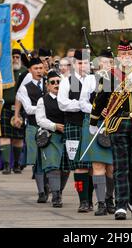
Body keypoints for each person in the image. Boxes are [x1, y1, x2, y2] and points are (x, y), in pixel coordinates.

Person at [89, 39, 132, 220]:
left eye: (129, 54)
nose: (126, 57)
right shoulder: (110, 74)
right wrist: (93, 120)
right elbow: (100, 98)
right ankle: (120, 205)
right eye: (123, 55)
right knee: (121, 166)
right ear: (118, 57)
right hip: (117, 123)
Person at [79, 49, 115, 216]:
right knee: (97, 165)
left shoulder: (119, 81)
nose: (104, 66)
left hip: (114, 125)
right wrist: (98, 110)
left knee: (112, 168)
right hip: (95, 123)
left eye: (108, 63)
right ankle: (101, 203)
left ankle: (110, 199)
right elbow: (83, 103)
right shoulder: (90, 80)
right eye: (101, 63)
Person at [58, 49, 93, 213]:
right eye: (80, 63)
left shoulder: (95, 80)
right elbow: (62, 103)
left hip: (92, 127)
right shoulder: (68, 80)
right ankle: (83, 201)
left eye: (85, 62)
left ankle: (93, 200)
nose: (83, 66)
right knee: (79, 166)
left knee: (94, 165)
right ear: (74, 64)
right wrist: (82, 104)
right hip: (75, 125)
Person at [36, 71, 70, 208]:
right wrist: (55, 126)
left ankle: (59, 191)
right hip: (50, 136)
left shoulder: (68, 98)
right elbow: (40, 120)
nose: (56, 84)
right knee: (52, 167)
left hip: (67, 136)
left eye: (59, 82)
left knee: (66, 168)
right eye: (53, 82)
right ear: (47, 85)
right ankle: (56, 195)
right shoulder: (42, 100)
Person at [16, 58, 48, 203]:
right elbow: (28, 109)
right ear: (30, 70)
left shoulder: (52, 83)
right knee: (38, 161)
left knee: (53, 161)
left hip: (52, 126)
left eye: (41, 68)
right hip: (34, 126)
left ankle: (53, 188)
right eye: (36, 68)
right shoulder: (24, 88)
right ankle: (41, 191)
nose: (39, 71)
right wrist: (49, 107)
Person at [0, 49, 27, 174]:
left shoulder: (25, 72)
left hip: (20, 109)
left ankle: (16, 164)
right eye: (12, 57)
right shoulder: (3, 71)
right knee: (4, 137)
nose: (15, 59)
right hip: (4, 108)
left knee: (18, 138)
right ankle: (6, 165)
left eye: (17, 57)